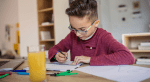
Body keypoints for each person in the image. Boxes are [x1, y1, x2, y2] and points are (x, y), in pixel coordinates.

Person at [48, 0, 135, 66]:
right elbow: (53, 50)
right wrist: (57, 55)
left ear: (96, 23)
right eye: (73, 28)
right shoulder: (72, 35)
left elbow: (128, 56)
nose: (77, 34)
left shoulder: (103, 36)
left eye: (82, 29)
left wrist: (90, 59)